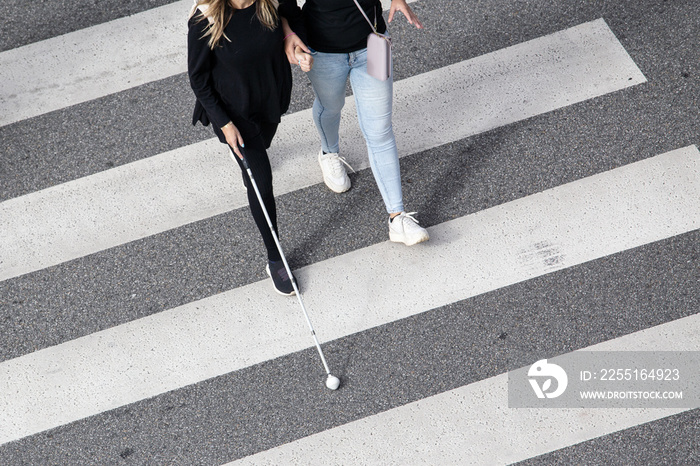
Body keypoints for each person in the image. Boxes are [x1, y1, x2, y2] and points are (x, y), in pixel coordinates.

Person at [278, 0, 430, 246]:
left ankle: (398, 217)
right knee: (331, 106)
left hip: (373, 42)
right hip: (322, 51)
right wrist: (289, 32)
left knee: (379, 129)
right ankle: (329, 152)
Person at [187, 0, 313, 296]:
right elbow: (198, 78)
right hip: (235, 115)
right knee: (260, 182)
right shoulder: (206, 17)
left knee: (263, 149)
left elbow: (293, 20)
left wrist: (297, 47)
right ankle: (275, 257)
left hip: (270, 99)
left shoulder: (271, 1)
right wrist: (225, 124)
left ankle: (249, 160)